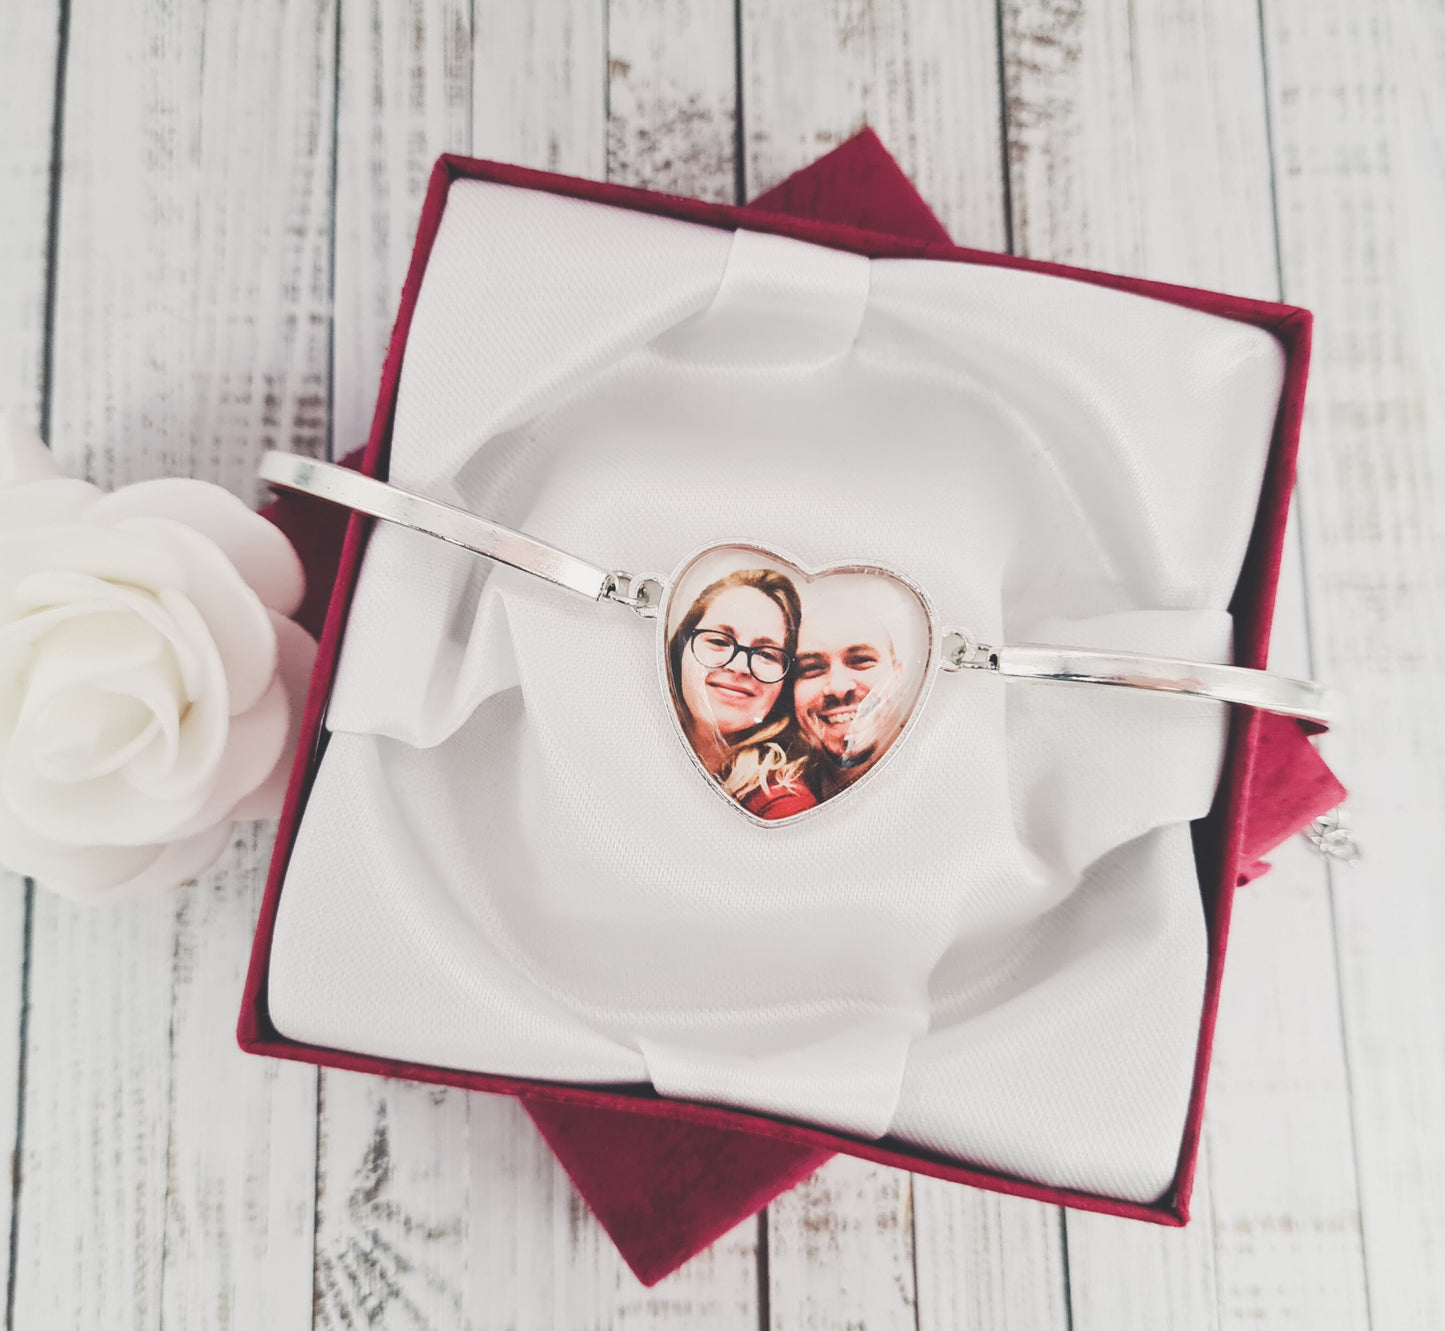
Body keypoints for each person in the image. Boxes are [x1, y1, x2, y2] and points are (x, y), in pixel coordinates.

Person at [666, 567, 817, 820]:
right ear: (682, 649)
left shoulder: (783, 803)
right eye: (718, 641)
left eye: (766, 654)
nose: (739, 667)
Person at [792, 575, 918, 802]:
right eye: (812, 668)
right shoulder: (778, 794)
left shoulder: (939, 776)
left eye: (860, 660)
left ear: (899, 676)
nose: (839, 688)